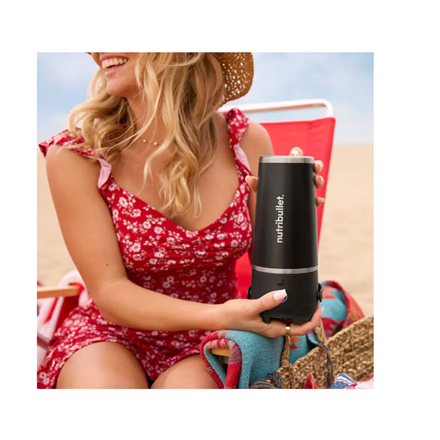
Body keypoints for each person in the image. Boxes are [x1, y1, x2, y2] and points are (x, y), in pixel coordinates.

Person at [37, 52, 326, 389]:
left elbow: (275, 273)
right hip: (114, 332)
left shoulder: (245, 141)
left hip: (217, 338)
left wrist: (290, 217)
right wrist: (220, 314)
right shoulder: (78, 153)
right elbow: (109, 290)